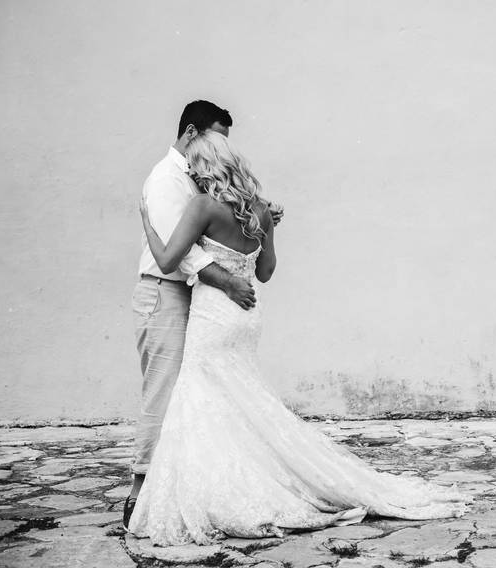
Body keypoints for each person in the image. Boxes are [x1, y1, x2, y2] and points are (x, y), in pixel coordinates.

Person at [128, 130, 468, 545]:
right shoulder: (260, 211)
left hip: (213, 318)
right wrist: (264, 231)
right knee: (238, 399)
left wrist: (148, 222)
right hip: (247, 317)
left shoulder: (202, 206)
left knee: (204, 399)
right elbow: (265, 271)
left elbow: (167, 259)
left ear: (206, 166)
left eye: (196, 166)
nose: (193, 173)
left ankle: (223, 487)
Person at [127, 100, 282, 529]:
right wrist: (256, 236)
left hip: (207, 303)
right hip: (179, 297)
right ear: (194, 136)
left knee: (185, 398)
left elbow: (175, 253)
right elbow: (248, 265)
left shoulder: (202, 198)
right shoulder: (166, 179)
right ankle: (146, 488)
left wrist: (147, 227)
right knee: (186, 396)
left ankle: (157, 495)